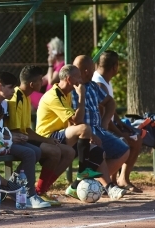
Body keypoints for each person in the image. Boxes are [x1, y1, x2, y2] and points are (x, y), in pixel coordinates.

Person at [35, 64, 126, 200]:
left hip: (62, 135)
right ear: (69, 79)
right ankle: (83, 172)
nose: (81, 80)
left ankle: (83, 186)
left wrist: (91, 135)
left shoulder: (65, 93)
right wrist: (81, 97)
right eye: (78, 77)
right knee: (84, 129)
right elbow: (77, 121)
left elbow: (72, 122)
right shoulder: (54, 96)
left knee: (97, 152)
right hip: (47, 138)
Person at [0, 71, 52, 209]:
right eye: (10, 88)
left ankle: (14, 184)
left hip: (2, 143)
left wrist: (13, 136)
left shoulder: (4, 103)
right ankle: (29, 195)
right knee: (29, 153)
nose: (13, 91)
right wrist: (7, 137)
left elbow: (2, 128)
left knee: (37, 151)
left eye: (15, 88)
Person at [7, 65, 76, 206]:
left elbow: (26, 130)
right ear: (32, 84)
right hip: (12, 140)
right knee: (53, 151)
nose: (43, 82)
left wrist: (47, 140)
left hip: (24, 137)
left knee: (69, 152)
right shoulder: (17, 97)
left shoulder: (26, 96)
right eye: (40, 80)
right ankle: (31, 190)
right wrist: (46, 140)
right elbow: (18, 132)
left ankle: (41, 190)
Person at [71, 56, 130, 189]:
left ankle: (93, 183)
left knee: (124, 149)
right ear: (86, 71)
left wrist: (104, 123)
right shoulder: (71, 89)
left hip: (98, 130)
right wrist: (88, 135)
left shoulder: (92, 86)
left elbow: (110, 102)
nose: (94, 71)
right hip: (81, 134)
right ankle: (100, 185)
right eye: (93, 69)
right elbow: (72, 121)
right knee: (98, 151)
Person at [92, 50, 144, 192]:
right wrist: (122, 133)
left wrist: (121, 124)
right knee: (126, 141)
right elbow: (105, 119)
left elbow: (111, 109)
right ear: (115, 67)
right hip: (101, 129)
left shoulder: (105, 80)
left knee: (137, 137)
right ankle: (109, 181)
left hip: (110, 126)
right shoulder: (99, 84)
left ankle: (122, 179)